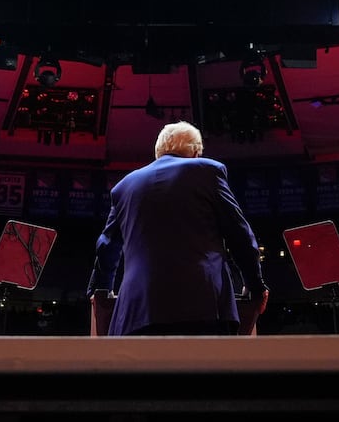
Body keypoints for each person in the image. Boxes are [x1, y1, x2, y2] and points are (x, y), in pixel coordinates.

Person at [88, 121, 268, 337]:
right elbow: (239, 235)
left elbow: (106, 246)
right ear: (195, 151)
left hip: (135, 312)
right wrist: (255, 287)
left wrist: (100, 290)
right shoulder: (209, 172)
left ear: (159, 151)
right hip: (203, 308)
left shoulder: (124, 186)